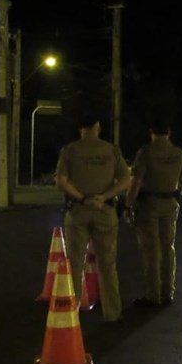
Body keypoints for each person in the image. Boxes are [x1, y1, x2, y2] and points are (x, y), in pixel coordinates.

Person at [55, 113, 131, 323]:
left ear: (81, 128)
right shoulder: (112, 151)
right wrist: (104, 197)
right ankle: (113, 314)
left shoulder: (70, 151)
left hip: (78, 212)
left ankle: (71, 314)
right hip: (105, 211)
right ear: (98, 126)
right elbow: (125, 179)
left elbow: (61, 181)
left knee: (75, 264)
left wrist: (83, 198)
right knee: (107, 264)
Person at [125, 118, 182, 307]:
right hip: (170, 204)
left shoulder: (145, 152)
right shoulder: (178, 153)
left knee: (151, 251)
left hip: (149, 205)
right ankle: (168, 292)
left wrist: (128, 204)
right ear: (169, 133)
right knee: (168, 248)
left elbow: (136, 182)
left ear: (152, 133)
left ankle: (152, 295)